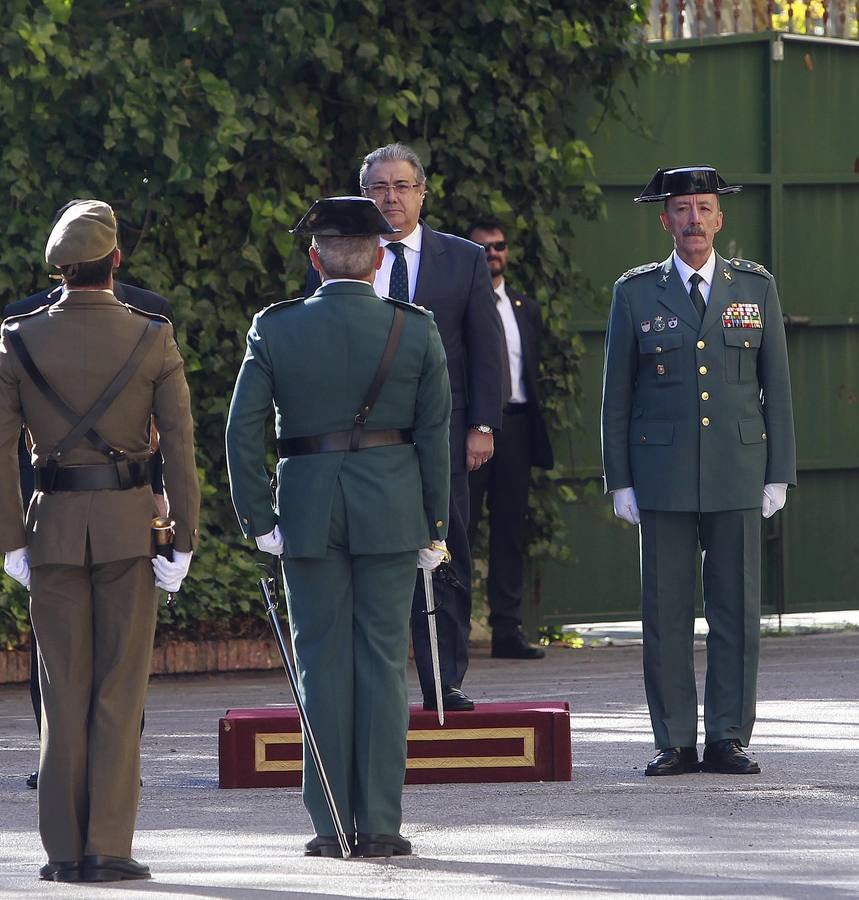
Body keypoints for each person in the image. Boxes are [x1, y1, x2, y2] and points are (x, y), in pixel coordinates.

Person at [0, 200, 199, 883]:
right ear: (116, 262)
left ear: (59, 268)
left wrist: (8, 538)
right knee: (118, 690)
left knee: (61, 690)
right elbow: (182, 448)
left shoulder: (18, 337)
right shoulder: (152, 335)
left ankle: (62, 852)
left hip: (50, 526)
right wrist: (184, 538)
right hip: (129, 524)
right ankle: (108, 845)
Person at [230, 196, 452, 858]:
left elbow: (242, 430)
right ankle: (380, 822)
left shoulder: (276, 327)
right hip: (391, 508)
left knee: (321, 664)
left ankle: (330, 825)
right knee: (383, 664)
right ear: (381, 258)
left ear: (314, 257)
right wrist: (434, 526)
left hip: (307, 509)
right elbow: (436, 434)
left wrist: (258, 518)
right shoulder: (415, 329)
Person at [600, 165, 795, 777]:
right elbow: (618, 393)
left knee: (737, 608)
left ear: (720, 217)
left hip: (739, 467)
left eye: (704, 208)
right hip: (662, 473)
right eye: (681, 209)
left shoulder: (755, 288)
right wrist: (620, 478)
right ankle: (675, 739)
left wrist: (779, 472)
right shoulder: (635, 292)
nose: (694, 220)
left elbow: (777, 389)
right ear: (665, 220)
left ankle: (729, 736)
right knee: (665, 611)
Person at [316, 143, 502, 712]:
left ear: (422, 193)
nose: (390, 198)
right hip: (360, 439)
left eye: (401, 187)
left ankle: (443, 679)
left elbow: (484, 347)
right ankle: (369, 680)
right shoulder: (340, 256)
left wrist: (483, 426)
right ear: (363, 195)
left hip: (440, 436)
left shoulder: (463, 258)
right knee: (365, 554)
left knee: (445, 550)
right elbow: (316, 338)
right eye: (378, 188)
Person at [1, 202, 173, 791]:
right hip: (85, 500)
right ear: (115, 254)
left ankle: (110, 760)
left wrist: (13, 534)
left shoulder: (149, 315)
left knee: (89, 657)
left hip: (85, 504)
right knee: (86, 657)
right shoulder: (24, 321)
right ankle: (67, 758)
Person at [465, 217, 554, 660]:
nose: (492, 254)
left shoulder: (525, 307)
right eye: (483, 247)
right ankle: (451, 630)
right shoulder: (459, 304)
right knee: (461, 528)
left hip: (516, 425)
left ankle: (507, 629)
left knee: (509, 531)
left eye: (498, 246)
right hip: (472, 426)